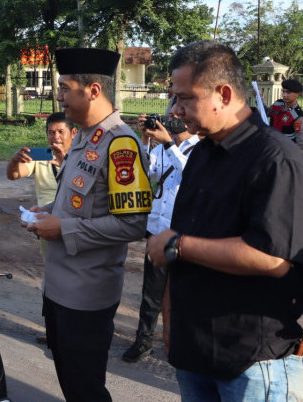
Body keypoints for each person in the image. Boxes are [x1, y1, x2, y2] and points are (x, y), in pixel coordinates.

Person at [146, 40, 303, 400]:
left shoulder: (276, 159)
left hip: (249, 361)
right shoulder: (202, 154)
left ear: (224, 93)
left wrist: (177, 245)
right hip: (194, 350)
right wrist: (170, 320)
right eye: (174, 98)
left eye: (185, 98)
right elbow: (180, 236)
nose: (176, 110)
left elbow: (273, 258)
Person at [23, 47, 151, 402]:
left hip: (86, 296)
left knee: (86, 390)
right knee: (70, 383)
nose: (59, 96)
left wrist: (62, 229)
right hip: (59, 287)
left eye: (65, 87)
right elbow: (77, 201)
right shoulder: (83, 135)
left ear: (93, 90)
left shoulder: (120, 144)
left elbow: (133, 225)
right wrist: (46, 211)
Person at [121, 112, 199, 363]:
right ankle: (143, 341)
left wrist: (167, 143)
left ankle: (184, 346)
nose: (171, 118)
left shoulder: (201, 148)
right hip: (158, 229)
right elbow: (146, 173)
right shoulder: (163, 148)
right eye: (170, 113)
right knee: (151, 293)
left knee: (185, 294)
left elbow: (192, 177)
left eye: (177, 115)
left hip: (184, 234)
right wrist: (145, 141)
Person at [7, 111, 77, 259]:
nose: (55, 137)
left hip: (72, 224)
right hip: (46, 224)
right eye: (51, 132)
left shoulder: (82, 158)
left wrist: (66, 164)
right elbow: (13, 175)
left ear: (73, 133)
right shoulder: (40, 158)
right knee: (51, 267)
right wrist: (14, 161)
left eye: (60, 132)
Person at [269, 78, 303, 149]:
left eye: (288, 92)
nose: (284, 95)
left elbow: (300, 143)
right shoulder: (278, 103)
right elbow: (266, 112)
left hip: (284, 151)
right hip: (270, 145)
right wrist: (259, 98)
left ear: (298, 94)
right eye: (283, 91)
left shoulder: (298, 116)